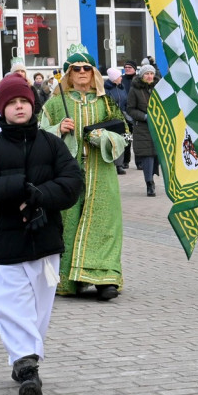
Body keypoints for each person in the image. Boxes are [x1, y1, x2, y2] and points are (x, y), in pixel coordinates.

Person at [0, 74, 82, 395]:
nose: (19, 107)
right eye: (12, 103)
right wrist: (16, 188)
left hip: (44, 239)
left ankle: (25, 358)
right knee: (11, 307)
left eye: (23, 101)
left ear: (33, 105)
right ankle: (27, 366)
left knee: (40, 309)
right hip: (4, 242)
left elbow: (71, 180)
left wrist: (41, 195)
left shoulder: (51, 144)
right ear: (2, 109)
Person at [40, 45, 127, 300]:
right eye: (75, 69)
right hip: (67, 174)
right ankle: (70, 280)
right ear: (68, 73)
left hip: (102, 172)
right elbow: (39, 135)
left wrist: (104, 137)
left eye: (86, 68)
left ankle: (105, 280)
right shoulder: (56, 104)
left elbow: (124, 135)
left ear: (93, 73)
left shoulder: (106, 102)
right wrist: (58, 128)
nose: (81, 73)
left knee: (105, 225)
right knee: (68, 224)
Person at [126, 64, 159, 196]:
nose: (150, 76)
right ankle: (149, 183)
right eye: (147, 74)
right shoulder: (135, 90)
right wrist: (145, 116)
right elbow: (130, 109)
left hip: (159, 127)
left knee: (157, 156)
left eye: (151, 73)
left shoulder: (159, 88)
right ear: (142, 75)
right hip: (143, 128)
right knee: (148, 156)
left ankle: (155, 178)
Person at [104, 67, 131, 174]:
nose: (121, 78)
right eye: (119, 76)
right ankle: (111, 164)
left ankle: (119, 165)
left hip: (122, 118)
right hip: (111, 119)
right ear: (114, 78)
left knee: (122, 139)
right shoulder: (106, 89)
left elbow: (125, 101)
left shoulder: (121, 87)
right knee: (112, 141)